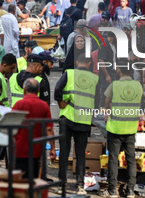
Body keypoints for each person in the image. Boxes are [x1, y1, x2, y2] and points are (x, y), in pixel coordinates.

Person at [55, 54, 99, 195]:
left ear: (77, 62)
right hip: (84, 121)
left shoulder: (69, 73)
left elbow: (57, 89)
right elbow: (97, 100)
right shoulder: (95, 78)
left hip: (67, 118)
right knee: (80, 154)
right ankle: (80, 186)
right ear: (89, 63)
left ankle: (61, 183)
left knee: (64, 152)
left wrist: (60, 102)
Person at [101, 59, 143, 198]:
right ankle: (130, 190)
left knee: (113, 159)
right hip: (131, 128)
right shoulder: (138, 85)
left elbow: (106, 104)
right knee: (131, 160)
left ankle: (112, 190)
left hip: (115, 127)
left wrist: (111, 108)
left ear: (119, 69)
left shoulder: (114, 85)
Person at [13, 78, 55, 179]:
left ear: (24, 90)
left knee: (19, 181)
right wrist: (52, 148)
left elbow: (11, 125)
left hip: (19, 149)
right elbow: (49, 129)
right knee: (33, 179)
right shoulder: (44, 106)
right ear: (39, 91)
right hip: (36, 150)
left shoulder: (19, 105)